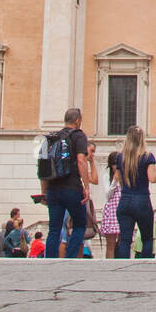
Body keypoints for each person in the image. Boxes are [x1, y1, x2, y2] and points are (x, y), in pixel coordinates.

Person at [42, 108, 91, 258]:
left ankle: (49, 259)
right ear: (77, 121)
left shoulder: (52, 138)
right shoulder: (78, 136)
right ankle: (70, 258)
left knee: (54, 229)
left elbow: (44, 167)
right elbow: (82, 161)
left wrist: (44, 191)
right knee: (79, 225)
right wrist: (86, 187)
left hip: (53, 189)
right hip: (72, 188)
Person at [115, 124, 156, 258]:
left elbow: (119, 179)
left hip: (125, 199)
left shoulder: (120, 158)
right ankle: (145, 266)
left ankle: (123, 266)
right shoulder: (147, 157)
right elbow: (152, 178)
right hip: (142, 199)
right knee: (147, 238)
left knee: (125, 239)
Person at [101, 151, 122, 259]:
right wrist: (114, 180)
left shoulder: (125, 176)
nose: (116, 167)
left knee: (123, 241)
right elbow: (108, 195)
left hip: (122, 209)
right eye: (114, 164)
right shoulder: (106, 176)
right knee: (110, 244)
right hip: (111, 211)